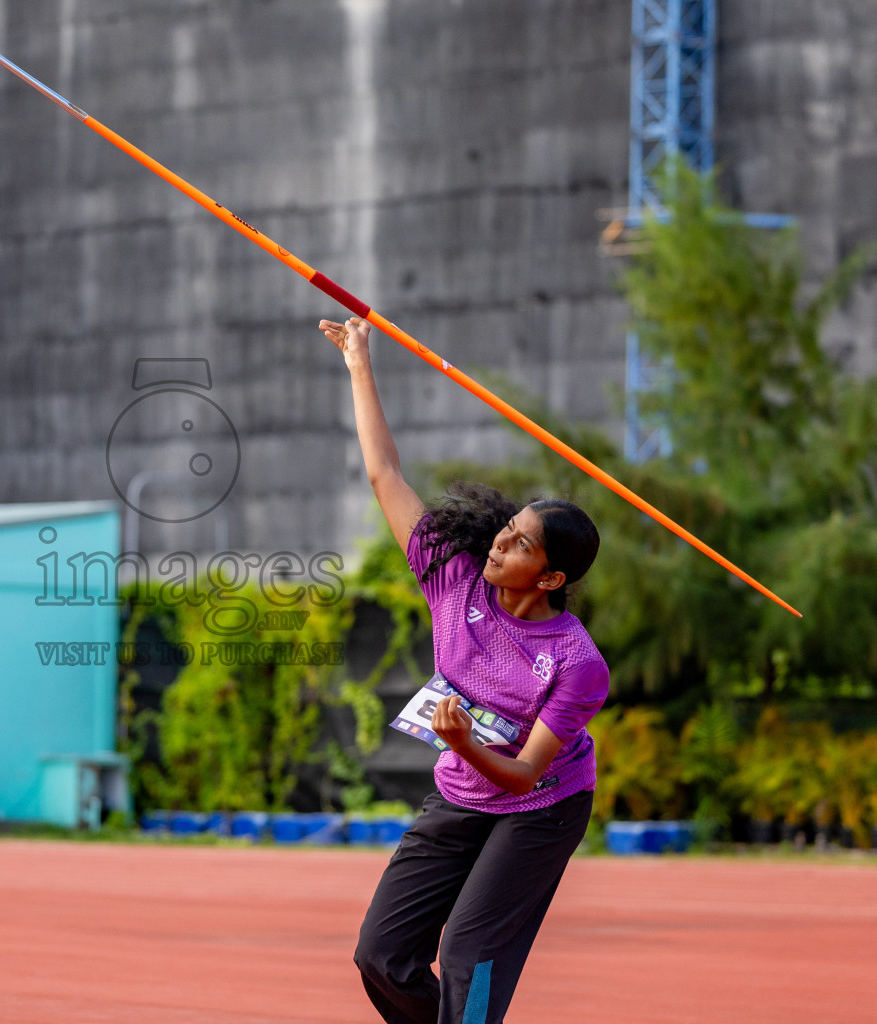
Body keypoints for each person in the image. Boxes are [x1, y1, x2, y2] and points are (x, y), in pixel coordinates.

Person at [321, 317, 608, 1024]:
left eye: (517, 546)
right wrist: (360, 363)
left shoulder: (576, 662)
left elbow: (522, 774)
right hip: (462, 790)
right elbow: (384, 473)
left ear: (551, 576)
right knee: (381, 956)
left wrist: (461, 742)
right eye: (504, 533)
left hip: (539, 807)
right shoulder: (453, 580)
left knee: (472, 953)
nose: (499, 547)